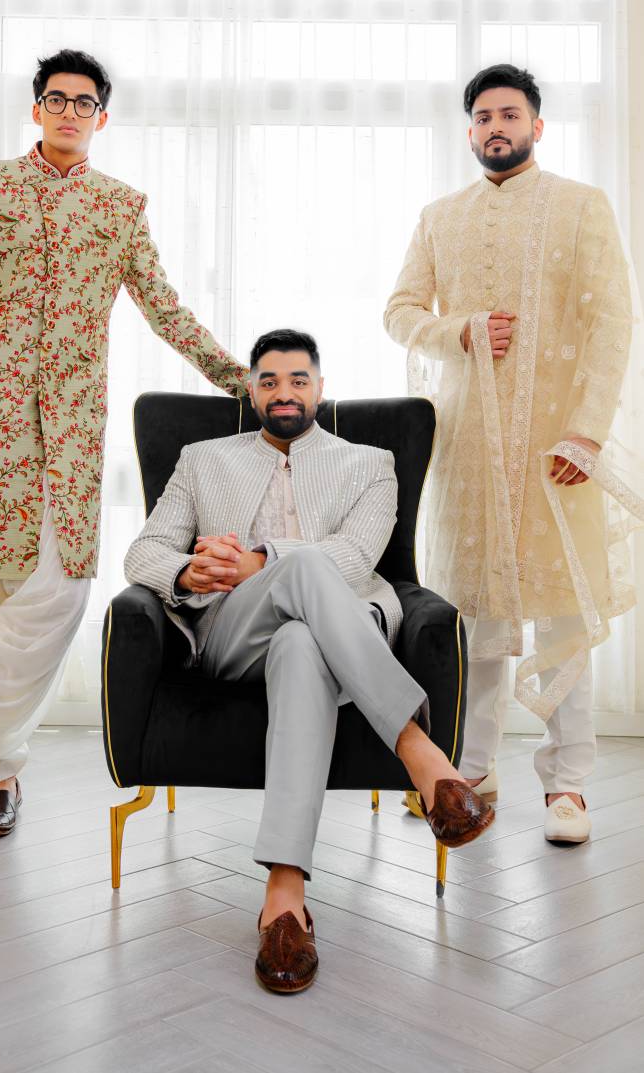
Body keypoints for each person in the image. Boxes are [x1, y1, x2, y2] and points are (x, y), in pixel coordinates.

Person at [0, 47, 248, 837]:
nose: (68, 111)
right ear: (35, 109)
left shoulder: (119, 209)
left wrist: (245, 379)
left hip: (66, 440)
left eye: (83, 101)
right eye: (55, 99)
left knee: (54, 597)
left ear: (102, 115)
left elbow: (166, 312)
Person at [125, 328, 494, 994]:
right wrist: (196, 570)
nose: (284, 391)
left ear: (320, 388)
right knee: (300, 582)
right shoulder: (203, 458)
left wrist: (264, 559)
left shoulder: (370, 462)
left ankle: (284, 898)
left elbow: (353, 560)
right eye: (269, 380)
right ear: (252, 390)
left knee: (302, 632)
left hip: (339, 629)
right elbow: (141, 555)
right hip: (234, 631)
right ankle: (419, 750)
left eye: (298, 379)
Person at [385, 63, 638, 844]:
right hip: (469, 451)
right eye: (484, 116)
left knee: (563, 615)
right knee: (479, 621)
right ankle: (473, 768)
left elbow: (611, 321)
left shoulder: (580, 207)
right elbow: (398, 312)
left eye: (511, 113)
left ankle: (569, 787)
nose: (497, 126)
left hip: (557, 449)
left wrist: (588, 433)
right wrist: (456, 328)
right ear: (469, 131)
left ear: (536, 125)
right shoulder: (439, 217)